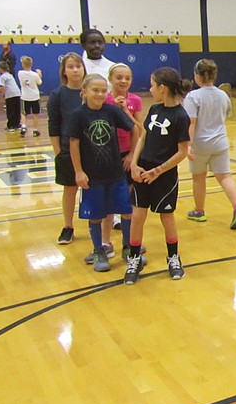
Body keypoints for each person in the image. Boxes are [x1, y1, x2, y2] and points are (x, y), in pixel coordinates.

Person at [124, 67, 191, 285]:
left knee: (166, 217)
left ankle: (173, 257)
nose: (150, 89)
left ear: (162, 88)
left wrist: (159, 170)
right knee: (138, 215)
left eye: (152, 85)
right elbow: (143, 137)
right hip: (143, 170)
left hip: (164, 176)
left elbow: (182, 151)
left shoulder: (181, 116)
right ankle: (134, 259)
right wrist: (134, 164)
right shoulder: (154, 109)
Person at [68, 74, 138, 272]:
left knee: (126, 210)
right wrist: (79, 171)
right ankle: (99, 250)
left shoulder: (112, 111)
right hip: (93, 176)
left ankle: (127, 247)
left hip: (115, 173)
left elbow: (134, 129)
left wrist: (132, 154)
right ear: (84, 92)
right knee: (96, 215)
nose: (100, 94)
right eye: (95, 90)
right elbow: (74, 143)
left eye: (103, 90)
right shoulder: (79, 115)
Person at [83, 63, 145, 266]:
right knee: (106, 205)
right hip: (106, 157)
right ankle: (105, 242)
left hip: (128, 156)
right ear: (110, 79)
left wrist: (132, 157)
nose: (123, 81)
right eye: (119, 77)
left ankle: (130, 242)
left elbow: (139, 129)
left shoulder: (134, 100)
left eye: (127, 78)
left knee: (126, 201)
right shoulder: (103, 99)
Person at [185, 58, 236, 228]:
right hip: (220, 142)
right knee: (225, 176)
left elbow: (191, 123)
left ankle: (199, 211)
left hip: (200, 144)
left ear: (197, 76)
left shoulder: (193, 96)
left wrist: (188, 145)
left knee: (199, 177)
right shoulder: (223, 95)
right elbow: (225, 115)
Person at [47, 53, 87, 244]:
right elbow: (53, 126)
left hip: (92, 149)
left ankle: (97, 223)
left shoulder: (91, 91)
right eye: (71, 66)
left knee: (94, 188)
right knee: (70, 188)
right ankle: (68, 226)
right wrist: (59, 153)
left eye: (78, 66)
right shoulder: (58, 95)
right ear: (64, 70)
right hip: (67, 150)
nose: (75, 70)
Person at [0, 61, 23, 132]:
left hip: (10, 95)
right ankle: (17, 125)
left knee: (10, 110)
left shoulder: (3, 77)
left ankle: (11, 126)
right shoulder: (9, 75)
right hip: (17, 93)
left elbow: (3, 88)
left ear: (0, 68)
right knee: (17, 110)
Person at [18, 55, 43, 137]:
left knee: (23, 113)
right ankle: (35, 130)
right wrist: (39, 74)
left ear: (23, 64)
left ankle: (24, 126)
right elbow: (39, 82)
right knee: (35, 114)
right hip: (35, 96)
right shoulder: (35, 74)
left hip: (25, 96)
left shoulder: (20, 73)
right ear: (31, 64)